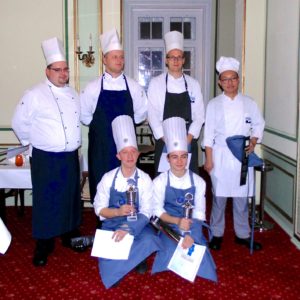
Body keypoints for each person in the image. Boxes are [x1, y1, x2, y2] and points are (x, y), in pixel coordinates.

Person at [12, 37, 82, 266]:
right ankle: (44, 243)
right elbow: (18, 122)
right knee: (46, 200)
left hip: (70, 156)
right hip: (46, 158)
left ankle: (68, 235)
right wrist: (31, 144)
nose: (63, 74)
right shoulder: (34, 94)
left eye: (66, 69)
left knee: (70, 198)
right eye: (58, 70)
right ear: (47, 71)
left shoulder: (73, 94)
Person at [203, 56, 265, 251]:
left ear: (238, 80)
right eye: (225, 79)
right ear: (220, 82)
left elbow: (258, 124)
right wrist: (209, 159)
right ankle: (216, 234)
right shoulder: (213, 104)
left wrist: (253, 142)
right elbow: (209, 134)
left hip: (242, 157)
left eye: (233, 78)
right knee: (219, 198)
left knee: (241, 198)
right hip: (220, 156)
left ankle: (243, 234)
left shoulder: (250, 103)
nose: (230, 83)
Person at [93, 115, 161, 289]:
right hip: (112, 225)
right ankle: (133, 258)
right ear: (118, 155)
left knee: (151, 239)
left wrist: (128, 228)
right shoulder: (108, 178)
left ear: (138, 154)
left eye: (133, 151)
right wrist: (116, 213)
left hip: (137, 225)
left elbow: (147, 211)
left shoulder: (145, 179)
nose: (130, 156)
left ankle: (130, 258)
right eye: (125, 152)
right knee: (108, 269)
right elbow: (98, 208)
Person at [80, 28, 147, 203]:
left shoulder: (133, 86)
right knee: (102, 188)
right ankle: (102, 226)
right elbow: (85, 116)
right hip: (100, 149)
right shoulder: (92, 87)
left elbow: (140, 115)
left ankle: (128, 224)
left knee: (127, 189)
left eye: (121, 57)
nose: (119, 60)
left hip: (127, 150)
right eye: (114, 56)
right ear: (104, 59)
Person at [151, 117, 217, 282]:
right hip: (169, 223)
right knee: (169, 249)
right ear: (167, 159)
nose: (180, 161)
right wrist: (177, 221)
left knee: (197, 250)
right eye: (174, 157)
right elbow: (157, 210)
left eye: (183, 156)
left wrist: (192, 235)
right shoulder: (159, 181)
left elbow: (200, 212)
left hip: (192, 224)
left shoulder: (199, 182)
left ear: (188, 157)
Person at [147, 30, 205, 175]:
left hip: (188, 139)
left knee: (188, 183)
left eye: (179, 57)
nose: (176, 60)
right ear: (166, 60)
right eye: (172, 57)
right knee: (164, 183)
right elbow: (152, 114)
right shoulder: (156, 83)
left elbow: (200, 115)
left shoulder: (193, 84)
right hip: (165, 138)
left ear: (184, 60)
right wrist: (167, 140)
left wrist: (188, 139)